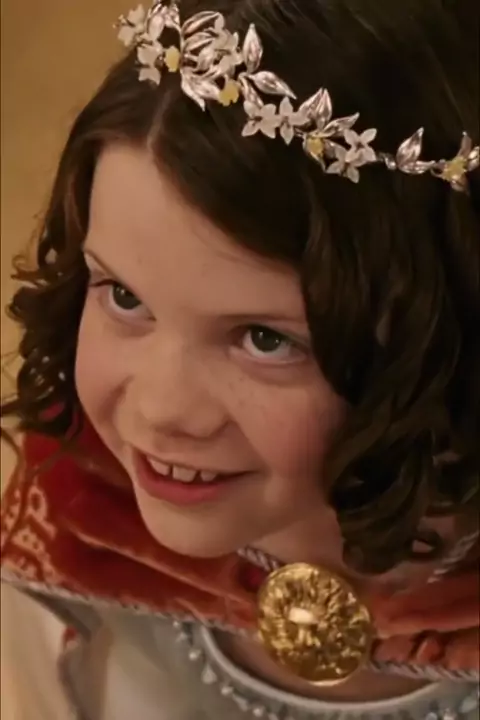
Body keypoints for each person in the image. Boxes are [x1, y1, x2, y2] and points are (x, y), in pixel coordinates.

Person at [1, 0, 479, 718]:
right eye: (124, 297)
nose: (160, 410)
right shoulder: (75, 522)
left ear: (445, 328)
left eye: (265, 339)